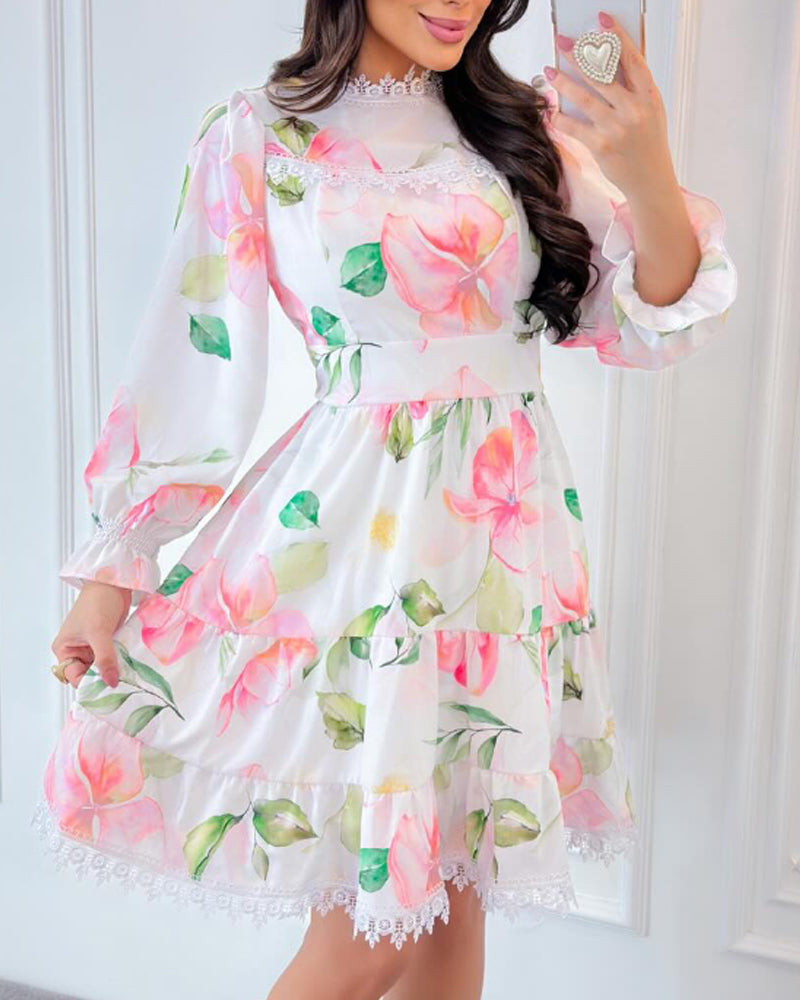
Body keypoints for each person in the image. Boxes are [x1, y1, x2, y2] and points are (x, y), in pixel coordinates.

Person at [35, 2, 738, 998]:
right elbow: (196, 356)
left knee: (450, 914)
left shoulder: (522, 129)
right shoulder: (258, 134)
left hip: (502, 555)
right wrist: (114, 571)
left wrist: (647, 165)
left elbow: (646, 320)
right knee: (369, 939)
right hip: (354, 555)